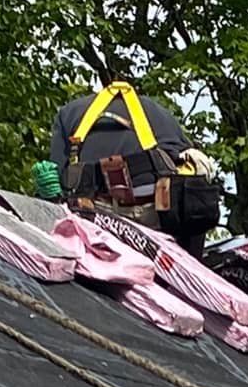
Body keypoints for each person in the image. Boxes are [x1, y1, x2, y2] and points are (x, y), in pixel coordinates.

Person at [47, 81, 221, 256]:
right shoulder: (160, 113)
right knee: (193, 201)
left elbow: (55, 183)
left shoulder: (70, 113)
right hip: (160, 212)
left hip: (94, 216)